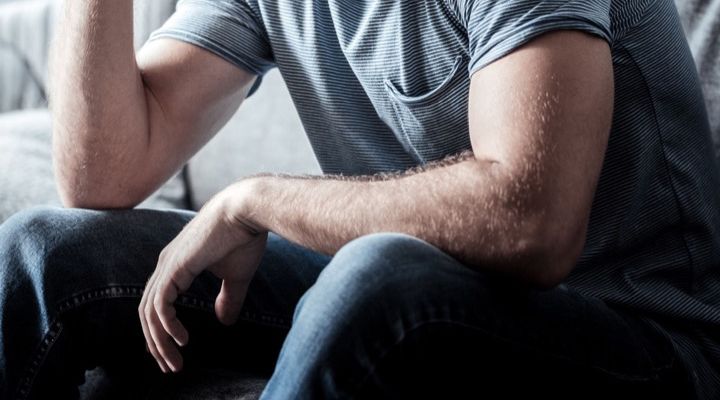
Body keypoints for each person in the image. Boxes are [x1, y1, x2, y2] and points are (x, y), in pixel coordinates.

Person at [1, 0, 719, 398]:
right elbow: (103, 174)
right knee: (45, 252)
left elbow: (533, 222)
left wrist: (259, 200)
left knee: (372, 276)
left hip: (640, 336)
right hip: (417, 283)